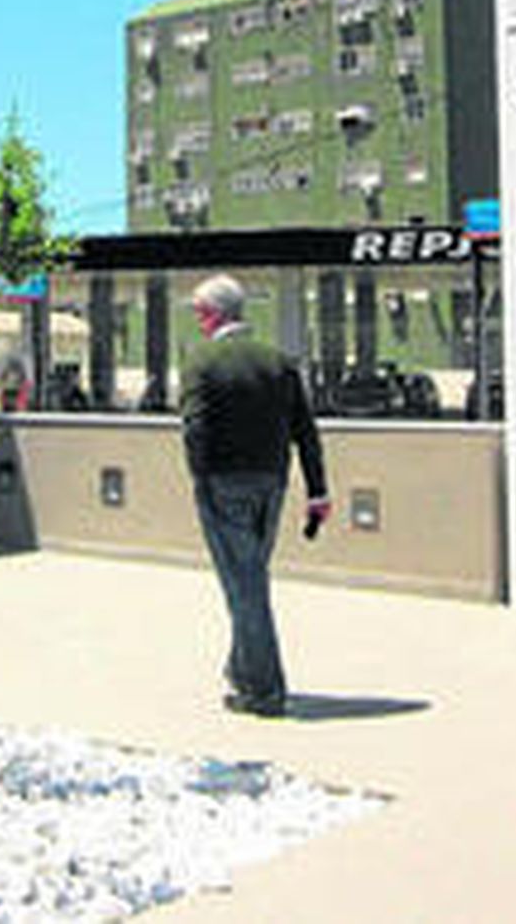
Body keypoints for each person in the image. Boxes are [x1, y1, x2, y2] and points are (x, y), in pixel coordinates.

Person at [181, 274, 330, 717]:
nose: (197, 321)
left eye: (198, 313)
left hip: (222, 484)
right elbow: (305, 431)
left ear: (212, 314)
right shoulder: (280, 362)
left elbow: (195, 428)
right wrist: (317, 490)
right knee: (250, 580)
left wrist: (200, 478)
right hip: (273, 483)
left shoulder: (201, 361)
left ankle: (264, 691)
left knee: (244, 586)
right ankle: (242, 671)